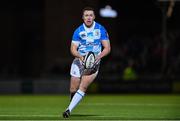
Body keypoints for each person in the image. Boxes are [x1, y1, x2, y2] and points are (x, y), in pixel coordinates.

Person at [62, 7, 111, 118]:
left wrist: (98, 57)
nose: (88, 17)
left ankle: (68, 110)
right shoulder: (78, 31)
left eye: (90, 15)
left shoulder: (100, 29)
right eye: (86, 15)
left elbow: (107, 48)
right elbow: (73, 49)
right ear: (83, 18)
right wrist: (80, 56)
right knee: (73, 89)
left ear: (94, 17)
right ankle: (72, 103)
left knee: (83, 87)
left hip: (93, 63)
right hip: (79, 61)